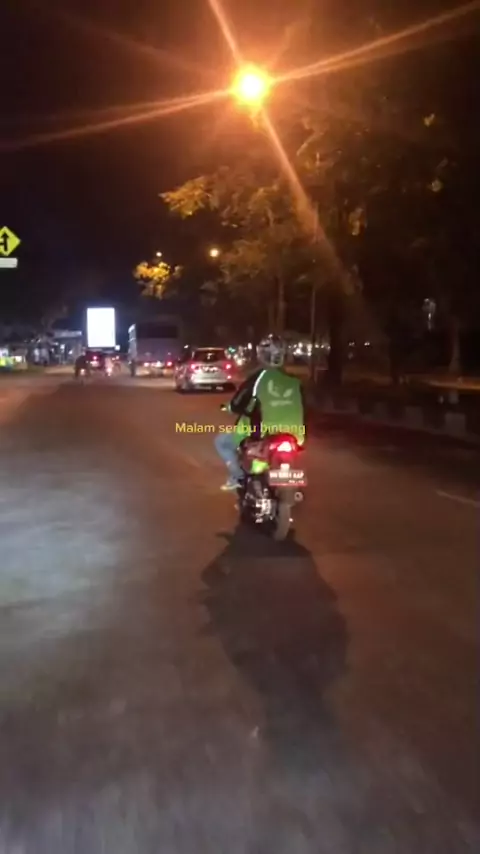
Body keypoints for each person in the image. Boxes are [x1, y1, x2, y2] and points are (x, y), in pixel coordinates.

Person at [215, 334, 306, 490]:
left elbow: (238, 402)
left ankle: (238, 477)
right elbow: (303, 406)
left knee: (222, 442)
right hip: (296, 435)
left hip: (263, 433)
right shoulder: (294, 381)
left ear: (262, 355)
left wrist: (230, 407)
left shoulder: (258, 378)